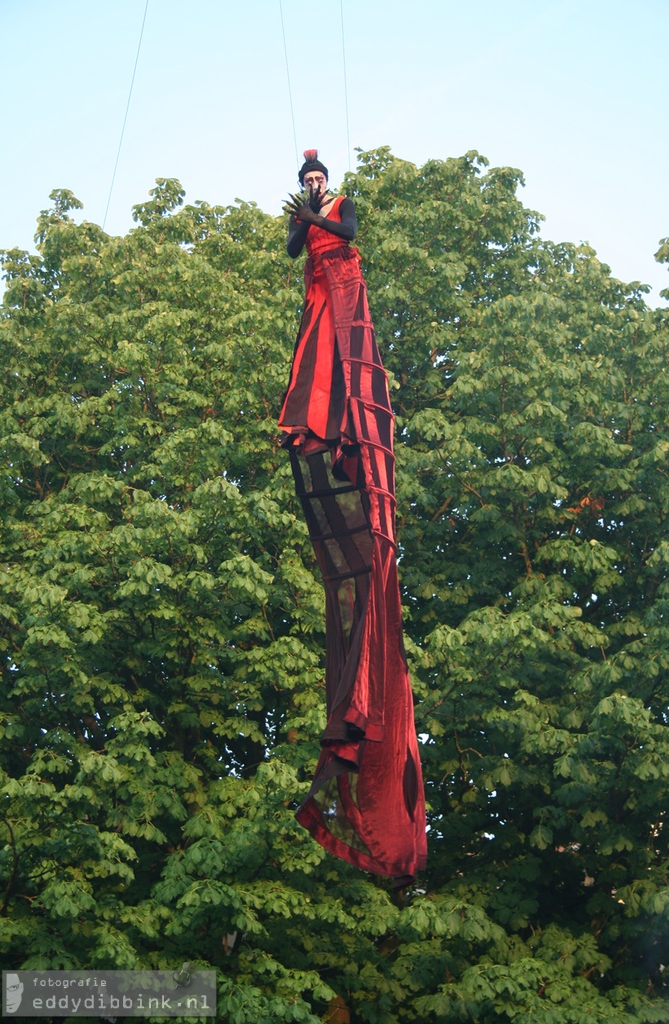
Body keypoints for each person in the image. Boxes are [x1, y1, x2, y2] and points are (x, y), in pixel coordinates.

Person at [279, 151, 427, 884]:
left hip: (342, 292)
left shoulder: (339, 207)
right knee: (320, 369)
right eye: (305, 181)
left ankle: (339, 429)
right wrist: (296, 227)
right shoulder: (309, 220)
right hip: (318, 299)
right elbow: (291, 246)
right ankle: (324, 426)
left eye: (315, 179)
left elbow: (345, 229)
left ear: (323, 181)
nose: (310, 186)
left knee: (346, 375)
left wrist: (312, 214)